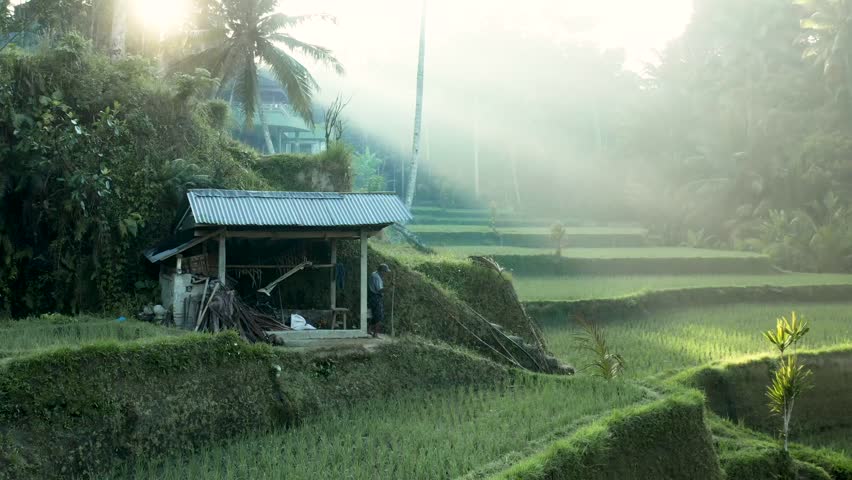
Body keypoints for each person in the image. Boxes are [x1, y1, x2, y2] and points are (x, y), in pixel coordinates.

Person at [367, 263, 390, 337]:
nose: (386, 274)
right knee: (379, 316)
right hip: (376, 297)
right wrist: (390, 286)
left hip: (372, 297)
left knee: (374, 315)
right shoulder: (376, 277)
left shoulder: (374, 274)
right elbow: (380, 290)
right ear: (382, 271)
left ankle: (369, 330)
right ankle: (375, 333)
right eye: (385, 272)